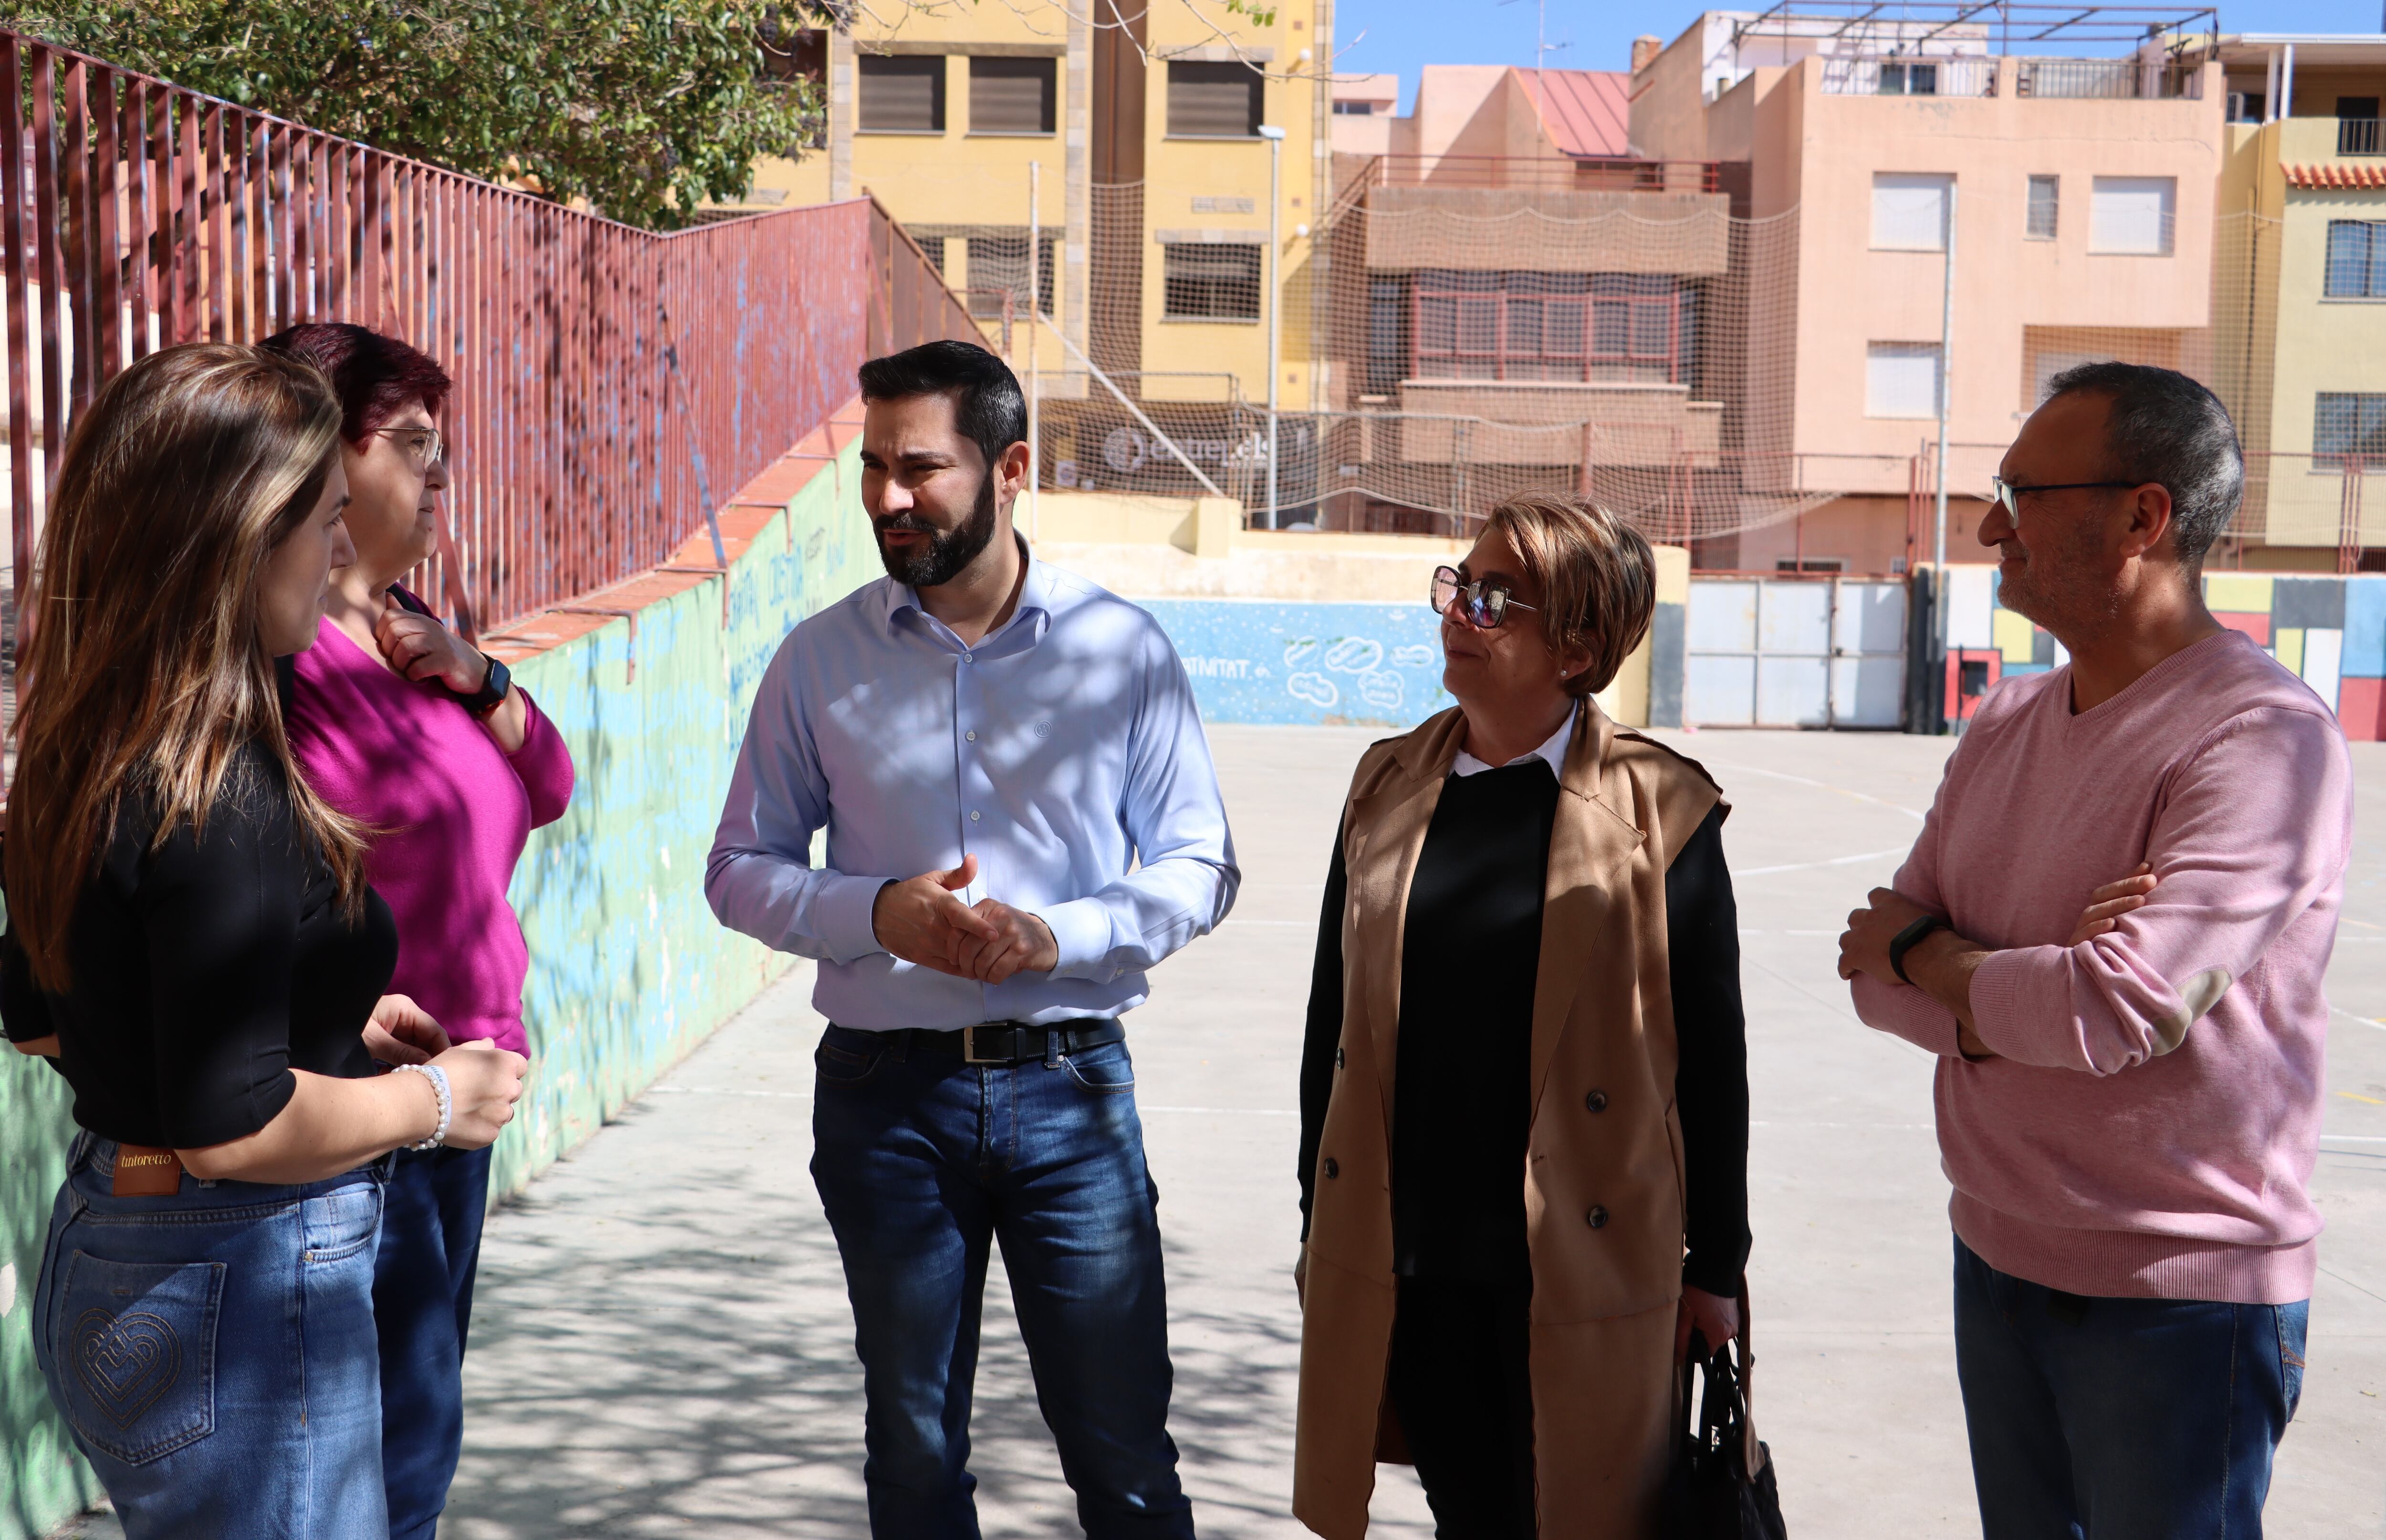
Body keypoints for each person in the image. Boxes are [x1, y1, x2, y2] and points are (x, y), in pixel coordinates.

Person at [705, 338, 1237, 1539]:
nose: (891, 498)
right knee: (912, 1455)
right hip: (884, 1105)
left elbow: (1202, 867)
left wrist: (1058, 937)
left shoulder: (1122, 652)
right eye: (876, 466)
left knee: (1123, 1457)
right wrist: (874, 910)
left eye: (923, 468)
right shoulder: (816, 661)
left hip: (1071, 1095)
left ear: (1010, 469)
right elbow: (737, 871)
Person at [2, 343, 526, 1539]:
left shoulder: (94, 748)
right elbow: (231, 1126)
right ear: (239, 533)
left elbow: (41, 1010)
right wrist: (437, 1103)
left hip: (117, 1245)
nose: (344, 552)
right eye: (327, 521)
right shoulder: (221, 789)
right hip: (230, 1278)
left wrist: (323, 1030)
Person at [1837, 363, 2340, 1538]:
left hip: (2177, 1304)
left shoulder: (2262, 741)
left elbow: (2113, 1012)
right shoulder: (2009, 717)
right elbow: (1871, 970)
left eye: (2020, 492)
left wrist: (1944, 960)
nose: (1985, 525)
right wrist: (1990, 976)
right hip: (1998, 1257)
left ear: (2142, 516)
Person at [1294, 493, 1750, 1540]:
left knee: (1584, 1515)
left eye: (1499, 597)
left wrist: (1715, 1265)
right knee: (1471, 1515)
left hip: (1582, 1258)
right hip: (1411, 1251)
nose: (1462, 610)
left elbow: (1710, 1056)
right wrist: (1318, 1221)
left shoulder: (1661, 808)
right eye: (1461, 583)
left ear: (1579, 647)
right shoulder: (1385, 785)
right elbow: (1334, 1024)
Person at [260, 322, 576, 1540]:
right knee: (385, 1458)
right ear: (318, 461)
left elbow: (548, 784)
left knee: (416, 1441)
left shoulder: (410, 625)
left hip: (462, 1101)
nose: (440, 474)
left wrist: (480, 676)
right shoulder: (288, 668)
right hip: (365, 1110)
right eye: (411, 446)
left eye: (444, 450)